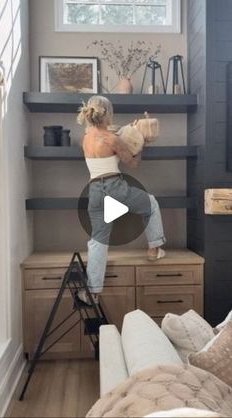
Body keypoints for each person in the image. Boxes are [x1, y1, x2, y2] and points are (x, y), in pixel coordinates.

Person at [77, 95, 166, 305]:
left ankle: (93, 292)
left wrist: (130, 129)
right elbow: (133, 163)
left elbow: (110, 136)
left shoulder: (87, 138)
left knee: (99, 240)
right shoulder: (112, 139)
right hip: (115, 187)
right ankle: (154, 249)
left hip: (95, 191)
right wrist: (141, 141)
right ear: (108, 113)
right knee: (150, 203)